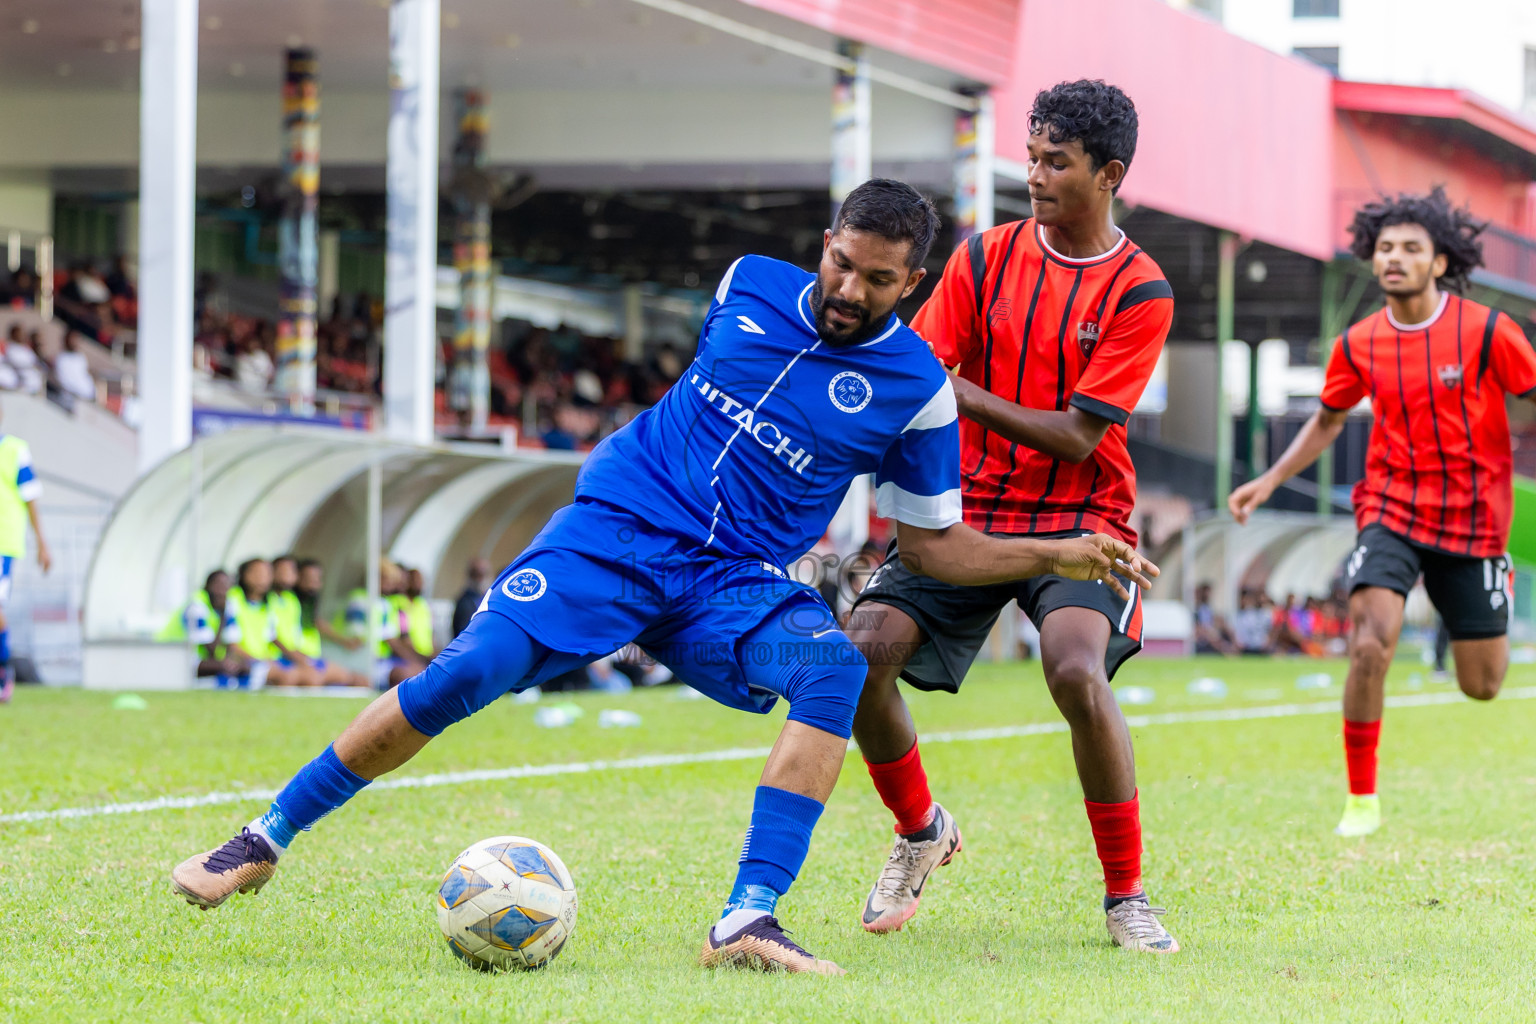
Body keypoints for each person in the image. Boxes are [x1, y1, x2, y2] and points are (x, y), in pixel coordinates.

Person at [170, 179, 1157, 976]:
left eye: (879, 280)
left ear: (914, 281)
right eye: (841, 264)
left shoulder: (920, 392)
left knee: (832, 666)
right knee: (463, 674)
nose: (849, 290)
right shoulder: (747, 282)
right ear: (825, 243)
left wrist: (1052, 551)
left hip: (731, 585)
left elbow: (934, 547)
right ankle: (261, 839)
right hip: (612, 537)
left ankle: (748, 919)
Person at [844, 82, 1179, 953]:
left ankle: (1126, 896)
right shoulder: (985, 257)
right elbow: (920, 375)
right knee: (860, 656)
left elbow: (1076, 437)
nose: (1031, 175)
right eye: (1029, 157)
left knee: (1074, 673)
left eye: (1054, 162)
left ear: (1107, 175)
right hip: (968, 509)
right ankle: (920, 829)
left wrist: (958, 393)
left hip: (1083, 516)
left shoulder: (1143, 290)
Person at [1229, 187, 1536, 838]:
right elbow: (1328, 419)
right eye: (1386, 248)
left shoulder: (1488, 332)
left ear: (1440, 261)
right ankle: (1361, 801)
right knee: (1370, 644)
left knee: (1482, 685)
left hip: (1476, 522)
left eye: (1411, 249)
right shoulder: (1361, 342)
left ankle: (1487, 592)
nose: (1395, 258)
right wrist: (1266, 480)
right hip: (1391, 507)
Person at [0, 410, 49, 702]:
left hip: (3, 543)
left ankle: (4, 669)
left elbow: (31, 497)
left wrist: (42, 542)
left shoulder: (15, 450)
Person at [271, 555, 367, 688]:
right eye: (309, 579)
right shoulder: (279, 600)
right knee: (312, 679)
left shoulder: (292, 601)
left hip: (308, 657)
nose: (315, 584)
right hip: (289, 658)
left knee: (359, 680)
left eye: (318, 579)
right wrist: (301, 658)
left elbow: (315, 622)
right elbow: (273, 635)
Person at [226, 558, 315, 688]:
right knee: (288, 677)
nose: (263, 578)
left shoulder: (267, 603)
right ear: (245, 575)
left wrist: (302, 659)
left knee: (310, 676)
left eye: (267, 574)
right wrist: (258, 660)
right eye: (257, 573)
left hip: (265, 659)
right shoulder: (234, 597)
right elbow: (232, 645)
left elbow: (271, 637)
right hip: (240, 660)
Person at [340, 559, 428, 690]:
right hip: (365, 661)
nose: (391, 586)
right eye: (388, 580)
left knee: (417, 672)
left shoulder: (384, 602)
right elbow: (360, 637)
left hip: (383, 659)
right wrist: (415, 661)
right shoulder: (359, 600)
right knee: (410, 674)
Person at [157, 569, 250, 682]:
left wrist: (238, 661)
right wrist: (223, 616)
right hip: (172, 655)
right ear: (208, 586)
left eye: (226, 586)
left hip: (200, 659)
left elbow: (232, 643)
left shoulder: (228, 606)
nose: (222, 591)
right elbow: (211, 649)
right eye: (218, 585)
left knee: (243, 666)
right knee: (224, 666)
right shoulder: (196, 605)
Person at [450, 557, 491, 640]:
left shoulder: (485, 598)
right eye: (476, 574)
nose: (480, 579)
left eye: (484, 574)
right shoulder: (466, 602)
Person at [1193, 582, 1236, 655]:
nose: (1207, 595)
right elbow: (1198, 626)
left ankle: (1233, 649)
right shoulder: (1196, 610)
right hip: (1203, 636)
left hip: (1213, 632)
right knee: (1213, 638)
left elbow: (1217, 622)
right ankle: (1227, 651)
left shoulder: (1210, 609)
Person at [52, 332, 96, 402]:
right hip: (70, 399)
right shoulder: (61, 358)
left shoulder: (81, 357)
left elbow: (85, 376)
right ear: (67, 340)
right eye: (73, 340)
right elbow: (64, 381)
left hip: (87, 397)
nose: (75, 342)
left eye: (76, 340)